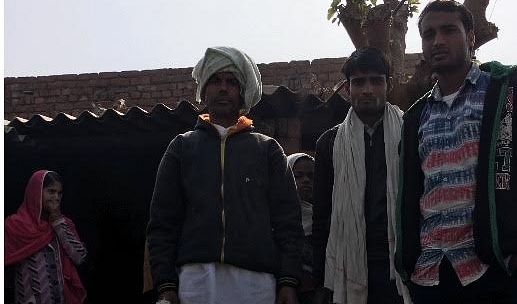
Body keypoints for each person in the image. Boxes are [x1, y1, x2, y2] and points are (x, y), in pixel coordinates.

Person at [394, 0, 517, 304]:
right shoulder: (416, 116)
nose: (438, 40)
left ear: (470, 36)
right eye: (429, 34)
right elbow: (410, 194)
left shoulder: (508, 92)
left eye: (449, 30)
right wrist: (408, 262)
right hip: (431, 275)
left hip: (495, 271)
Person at [146, 46, 303, 304]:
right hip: (196, 281)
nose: (223, 88)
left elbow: (288, 222)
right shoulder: (182, 147)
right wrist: (165, 283)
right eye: (215, 81)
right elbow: (163, 222)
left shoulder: (267, 149)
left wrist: (288, 280)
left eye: (231, 82)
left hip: (256, 283)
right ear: (204, 91)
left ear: (242, 93)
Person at [312, 46, 410, 304]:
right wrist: (322, 279)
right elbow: (322, 214)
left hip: (402, 265)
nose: (367, 90)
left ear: (388, 85)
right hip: (349, 263)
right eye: (359, 82)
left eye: (376, 81)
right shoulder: (329, 143)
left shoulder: (410, 132)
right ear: (347, 89)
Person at [4, 170, 87, 304]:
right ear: (35, 192)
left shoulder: (63, 224)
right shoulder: (14, 226)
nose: (56, 198)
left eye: (59, 193)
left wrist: (57, 221)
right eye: (51, 191)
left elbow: (79, 257)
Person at [287, 153, 316, 304]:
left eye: (311, 176)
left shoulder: (320, 218)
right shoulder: (275, 217)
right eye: (298, 175)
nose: (306, 181)